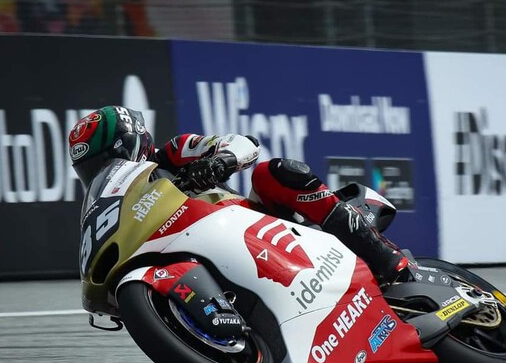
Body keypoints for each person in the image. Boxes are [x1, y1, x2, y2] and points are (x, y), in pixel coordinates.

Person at [69, 105, 408, 283]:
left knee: (272, 172)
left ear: (130, 143)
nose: (101, 172)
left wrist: (221, 161)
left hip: (256, 227)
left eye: (105, 161)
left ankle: (385, 258)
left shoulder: (172, 154)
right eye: (91, 169)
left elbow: (244, 144)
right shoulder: (119, 205)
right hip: (206, 254)